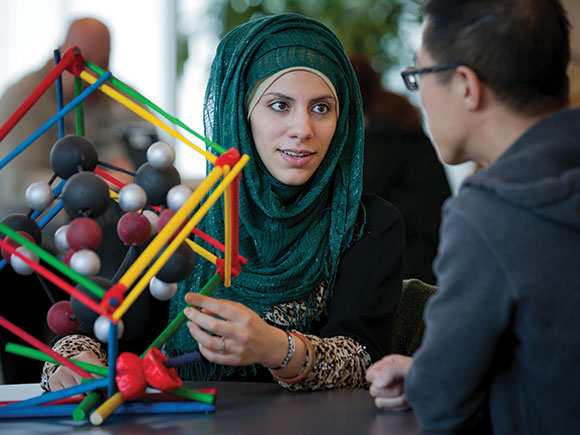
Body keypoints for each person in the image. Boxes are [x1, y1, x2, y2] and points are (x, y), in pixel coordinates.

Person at [43, 13, 404, 393]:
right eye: (280, 105)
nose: (303, 129)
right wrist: (71, 360)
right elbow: (94, 330)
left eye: (321, 108)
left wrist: (275, 348)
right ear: (241, 115)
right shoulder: (184, 221)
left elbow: (363, 361)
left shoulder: (366, 225)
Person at [366, 0, 580, 433]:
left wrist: (429, 382)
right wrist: (430, 375)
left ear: (465, 84)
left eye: (419, 76)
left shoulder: (488, 213)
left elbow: (445, 405)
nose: (418, 96)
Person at [0, 18, 155, 384]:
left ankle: (125, 371)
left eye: (99, 61)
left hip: (109, 240)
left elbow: (150, 163)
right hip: (34, 241)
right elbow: (10, 182)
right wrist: (86, 185)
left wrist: (129, 176)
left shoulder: (119, 95)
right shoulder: (25, 97)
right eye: (80, 59)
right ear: (61, 49)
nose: (87, 70)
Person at [350, 53, 451, 284]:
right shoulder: (398, 123)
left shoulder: (380, 139)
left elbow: (359, 197)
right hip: (436, 251)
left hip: (413, 261)